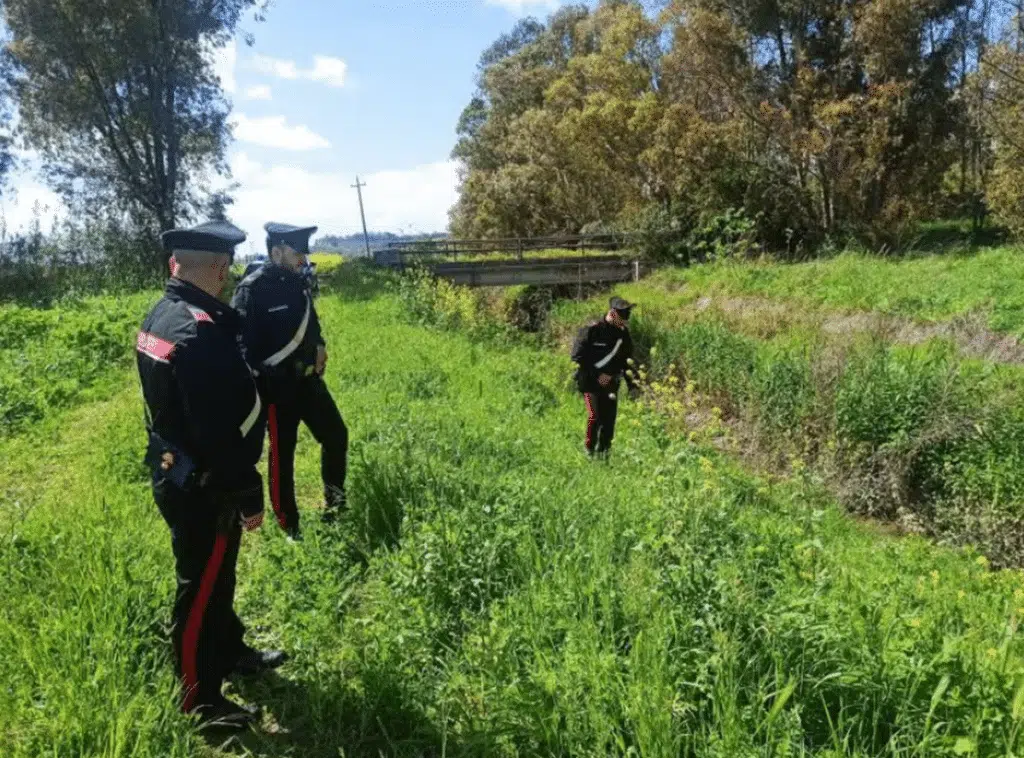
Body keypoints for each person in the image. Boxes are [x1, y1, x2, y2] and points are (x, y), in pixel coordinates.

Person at [136, 221, 287, 730]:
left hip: (176, 469)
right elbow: (219, 433)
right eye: (226, 267)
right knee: (200, 588)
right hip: (206, 485)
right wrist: (248, 494)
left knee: (217, 577)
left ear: (174, 265)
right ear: (220, 270)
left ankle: (230, 650)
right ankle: (200, 701)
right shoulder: (200, 333)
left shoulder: (163, 313)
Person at [232, 222, 349, 541]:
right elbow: (241, 346)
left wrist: (320, 343)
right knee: (282, 457)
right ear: (277, 252)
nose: (302, 259)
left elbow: (309, 320)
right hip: (276, 390)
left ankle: (336, 506)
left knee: (337, 436)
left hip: (308, 382)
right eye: (297, 253)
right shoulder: (252, 290)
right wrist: (265, 380)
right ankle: (289, 525)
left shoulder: (298, 282)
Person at [570, 296, 639, 459]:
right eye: (622, 317)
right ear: (613, 313)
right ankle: (589, 450)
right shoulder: (591, 330)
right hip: (589, 381)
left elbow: (627, 360)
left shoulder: (623, 335)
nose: (624, 321)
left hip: (611, 383)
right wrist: (598, 375)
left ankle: (604, 453)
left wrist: (633, 386)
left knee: (609, 422)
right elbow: (577, 357)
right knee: (595, 417)